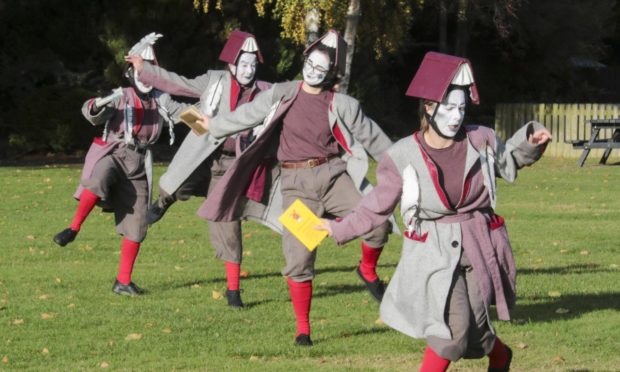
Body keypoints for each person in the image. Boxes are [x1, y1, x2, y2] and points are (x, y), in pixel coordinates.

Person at [318, 51, 552, 371]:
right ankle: (494, 355)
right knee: (450, 334)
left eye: (461, 107)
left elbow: (507, 163)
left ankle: (500, 355)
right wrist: (337, 228)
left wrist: (530, 142)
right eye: (449, 108)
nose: (456, 116)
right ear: (429, 107)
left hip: (479, 243)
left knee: (478, 326)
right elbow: (376, 206)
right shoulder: (402, 154)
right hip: (433, 252)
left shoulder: (479, 139)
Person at [197, 30, 396, 346]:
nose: (314, 72)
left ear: (331, 73)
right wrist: (213, 125)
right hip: (296, 186)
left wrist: (407, 167)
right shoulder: (282, 93)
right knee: (299, 258)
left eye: (321, 69)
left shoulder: (341, 103)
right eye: (311, 64)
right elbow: (247, 114)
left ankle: (367, 271)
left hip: (334, 177)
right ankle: (303, 329)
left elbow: (374, 138)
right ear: (305, 61)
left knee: (379, 224)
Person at [124, 30, 272, 308]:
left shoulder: (264, 91)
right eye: (244, 64)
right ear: (231, 65)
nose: (249, 70)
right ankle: (162, 202)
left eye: (253, 65)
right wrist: (146, 70)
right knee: (177, 184)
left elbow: (292, 97)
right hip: (203, 154)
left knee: (227, 223)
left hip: (232, 167)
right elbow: (180, 84)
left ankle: (233, 292)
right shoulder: (214, 81)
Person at [52, 33, 188, 296]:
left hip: (139, 164)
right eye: (141, 70)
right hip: (116, 152)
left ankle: (123, 281)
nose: (145, 77)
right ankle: (73, 227)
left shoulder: (161, 99)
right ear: (130, 72)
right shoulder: (121, 95)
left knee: (138, 225)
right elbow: (91, 112)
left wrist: (212, 119)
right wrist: (96, 105)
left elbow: (184, 113)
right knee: (101, 174)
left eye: (151, 71)